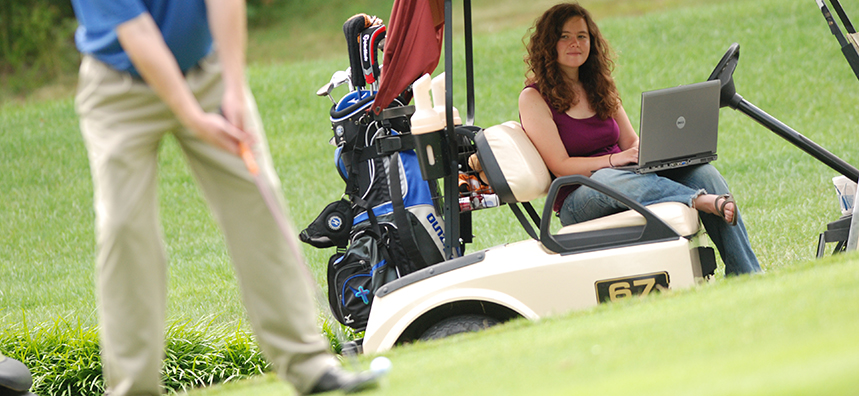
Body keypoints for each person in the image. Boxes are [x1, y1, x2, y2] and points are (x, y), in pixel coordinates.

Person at [69, 0, 378, 394]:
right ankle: (134, 388)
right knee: (125, 232)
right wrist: (194, 117)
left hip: (206, 72)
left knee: (257, 210)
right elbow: (138, 34)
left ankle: (310, 367)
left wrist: (232, 87)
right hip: (120, 88)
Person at [518, 2, 761, 276]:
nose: (574, 43)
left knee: (704, 173)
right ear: (549, 43)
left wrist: (660, 152)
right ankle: (696, 199)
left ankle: (747, 274)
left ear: (592, 41)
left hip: (627, 176)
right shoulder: (534, 98)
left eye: (582, 36)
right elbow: (561, 165)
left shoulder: (598, 84)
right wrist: (613, 160)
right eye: (564, 36)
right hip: (579, 196)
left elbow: (632, 144)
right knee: (606, 178)